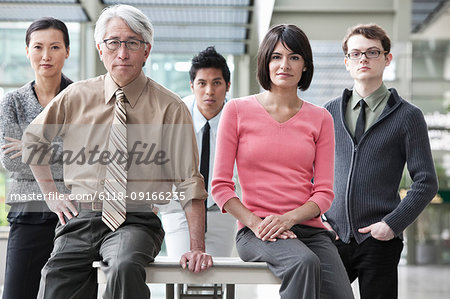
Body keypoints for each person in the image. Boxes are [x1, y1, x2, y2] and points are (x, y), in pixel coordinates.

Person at [20, 5, 211, 299]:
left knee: (125, 265)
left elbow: (189, 181)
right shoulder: (76, 96)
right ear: (100, 49)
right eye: (113, 43)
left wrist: (196, 246)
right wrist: (51, 194)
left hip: (136, 221)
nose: (122, 53)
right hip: (81, 218)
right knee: (55, 274)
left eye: (132, 43)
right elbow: (33, 139)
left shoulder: (170, 107)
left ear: (146, 51)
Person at [211, 24, 354, 299]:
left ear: (305, 66)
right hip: (257, 230)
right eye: (276, 56)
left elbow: (324, 193)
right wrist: (255, 223)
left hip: (309, 230)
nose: (284, 65)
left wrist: (288, 219)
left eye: (294, 57)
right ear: (265, 62)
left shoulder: (321, 118)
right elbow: (220, 187)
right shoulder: (236, 110)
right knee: (303, 263)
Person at [323, 23, 438, 299]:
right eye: (355, 53)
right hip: (333, 237)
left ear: (387, 58)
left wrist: (392, 224)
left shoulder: (408, 116)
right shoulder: (327, 113)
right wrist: (319, 219)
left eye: (372, 52)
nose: (363, 59)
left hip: (379, 239)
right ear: (346, 62)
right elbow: (309, 174)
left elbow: (426, 182)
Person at [0, 17, 72, 299]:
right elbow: (11, 162)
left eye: (55, 47)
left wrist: (29, 147)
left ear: (67, 51)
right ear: (27, 50)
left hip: (72, 213)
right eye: (38, 47)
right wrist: (61, 151)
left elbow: (87, 156)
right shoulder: (12, 102)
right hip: (26, 212)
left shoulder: (80, 97)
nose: (46, 56)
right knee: (16, 293)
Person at [158, 46, 237, 258]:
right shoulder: (175, 115)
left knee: (217, 275)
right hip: (180, 207)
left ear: (228, 86)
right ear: (192, 86)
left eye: (217, 83)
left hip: (223, 208)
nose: (209, 91)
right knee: (181, 268)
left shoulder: (239, 118)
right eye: (202, 83)